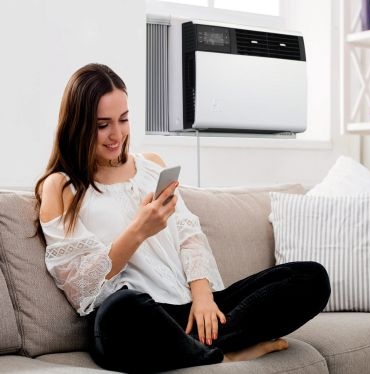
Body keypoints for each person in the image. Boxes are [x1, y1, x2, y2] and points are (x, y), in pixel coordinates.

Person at [35, 63, 331, 373]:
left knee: (311, 278)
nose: (117, 134)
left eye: (123, 120)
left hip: (190, 309)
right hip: (139, 318)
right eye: (102, 124)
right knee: (119, 313)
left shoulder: (151, 165)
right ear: (78, 125)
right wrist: (138, 231)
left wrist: (203, 296)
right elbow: (80, 287)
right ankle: (223, 356)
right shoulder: (60, 187)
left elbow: (189, 235)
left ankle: (193, 347)